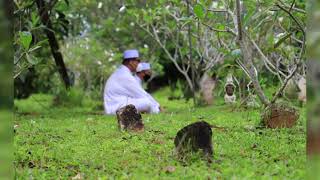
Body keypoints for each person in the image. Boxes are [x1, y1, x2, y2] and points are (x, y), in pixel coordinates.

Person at [103, 49, 160, 115]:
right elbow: (142, 95)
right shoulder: (125, 75)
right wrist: (157, 108)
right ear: (131, 62)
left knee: (145, 101)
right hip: (115, 108)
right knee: (147, 102)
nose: (138, 64)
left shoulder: (122, 72)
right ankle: (157, 113)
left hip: (116, 105)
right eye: (138, 61)